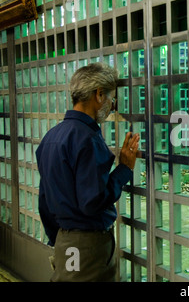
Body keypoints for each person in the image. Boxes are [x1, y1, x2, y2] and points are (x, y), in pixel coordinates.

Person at [36, 63, 140, 282]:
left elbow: (44, 199)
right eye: (112, 99)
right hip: (88, 246)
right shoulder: (87, 139)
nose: (113, 106)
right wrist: (124, 169)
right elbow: (92, 201)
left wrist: (63, 240)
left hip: (65, 240)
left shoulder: (51, 137)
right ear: (99, 94)